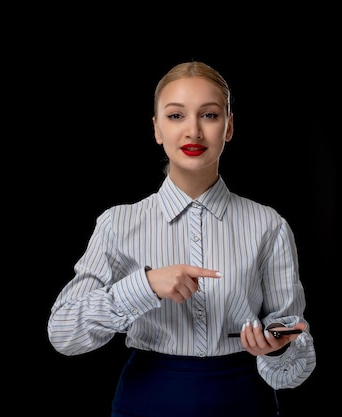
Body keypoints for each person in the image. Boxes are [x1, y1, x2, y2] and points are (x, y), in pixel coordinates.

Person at [46, 61, 316, 417]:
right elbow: (64, 334)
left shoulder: (268, 224)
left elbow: (291, 357)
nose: (193, 131)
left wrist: (277, 348)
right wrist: (144, 286)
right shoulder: (117, 223)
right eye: (176, 116)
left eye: (209, 115)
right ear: (157, 129)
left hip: (245, 403)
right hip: (144, 403)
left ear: (229, 127)